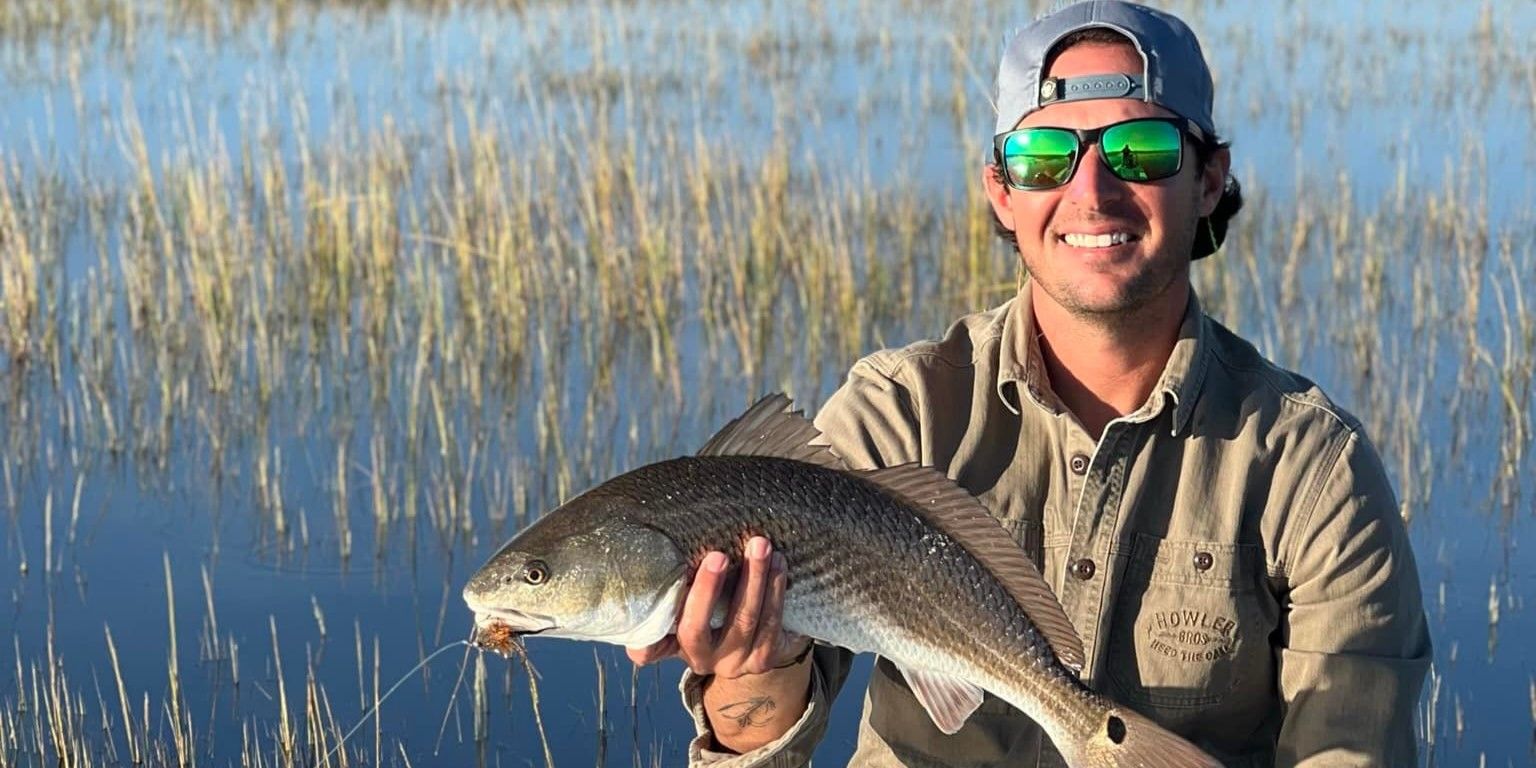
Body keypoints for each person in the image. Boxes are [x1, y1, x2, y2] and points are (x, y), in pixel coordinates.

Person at [627, 2, 1431, 765]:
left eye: (1141, 149)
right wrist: (751, 675)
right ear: (1002, 192)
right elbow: (756, 747)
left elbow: (1353, 746)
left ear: (1211, 178)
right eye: (1044, 157)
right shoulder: (898, 414)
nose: (1091, 191)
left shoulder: (1315, 470)